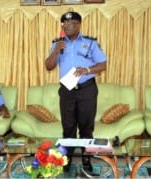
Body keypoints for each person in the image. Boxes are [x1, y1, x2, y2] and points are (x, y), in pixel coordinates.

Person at [45, 11, 107, 174]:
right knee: (68, 127)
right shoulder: (58, 43)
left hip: (86, 89)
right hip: (66, 90)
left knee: (86, 127)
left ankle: (86, 159)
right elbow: (48, 66)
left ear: (78, 25)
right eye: (64, 24)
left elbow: (103, 65)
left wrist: (87, 69)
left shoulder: (90, 43)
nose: (66, 26)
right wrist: (56, 50)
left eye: (70, 23)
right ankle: (67, 159)